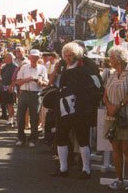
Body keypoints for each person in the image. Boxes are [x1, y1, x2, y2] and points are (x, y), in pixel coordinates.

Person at [51, 42, 95, 180]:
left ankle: (86, 169)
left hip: (79, 109)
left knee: (82, 138)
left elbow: (88, 89)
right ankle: (63, 168)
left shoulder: (84, 70)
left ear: (76, 55)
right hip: (64, 109)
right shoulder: (64, 68)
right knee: (61, 137)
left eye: (71, 55)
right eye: (66, 55)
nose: (68, 58)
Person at [103, 46, 128, 193]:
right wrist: (109, 105)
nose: (109, 60)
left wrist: (118, 106)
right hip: (112, 116)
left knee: (127, 149)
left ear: (118, 59)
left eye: (111, 57)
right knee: (116, 149)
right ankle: (119, 179)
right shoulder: (112, 75)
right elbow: (104, 95)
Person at [14, 49, 48, 147]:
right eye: (32, 57)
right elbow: (18, 82)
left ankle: (33, 139)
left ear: (38, 58)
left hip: (35, 95)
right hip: (24, 94)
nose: (34, 59)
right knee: (20, 117)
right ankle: (21, 138)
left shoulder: (42, 68)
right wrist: (28, 79)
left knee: (34, 118)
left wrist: (40, 82)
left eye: (36, 57)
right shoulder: (24, 67)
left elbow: (46, 83)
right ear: (29, 58)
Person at [0, 53, 17, 126]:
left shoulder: (14, 66)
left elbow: (15, 78)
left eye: (6, 58)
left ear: (10, 58)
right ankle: (9, 117)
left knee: (10, 104)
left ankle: (11, 118)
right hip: (4, 87)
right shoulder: (4, 66)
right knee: (6, 104)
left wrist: (12, 86)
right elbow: (2, 76)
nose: (4, 59)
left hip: (10, 87)